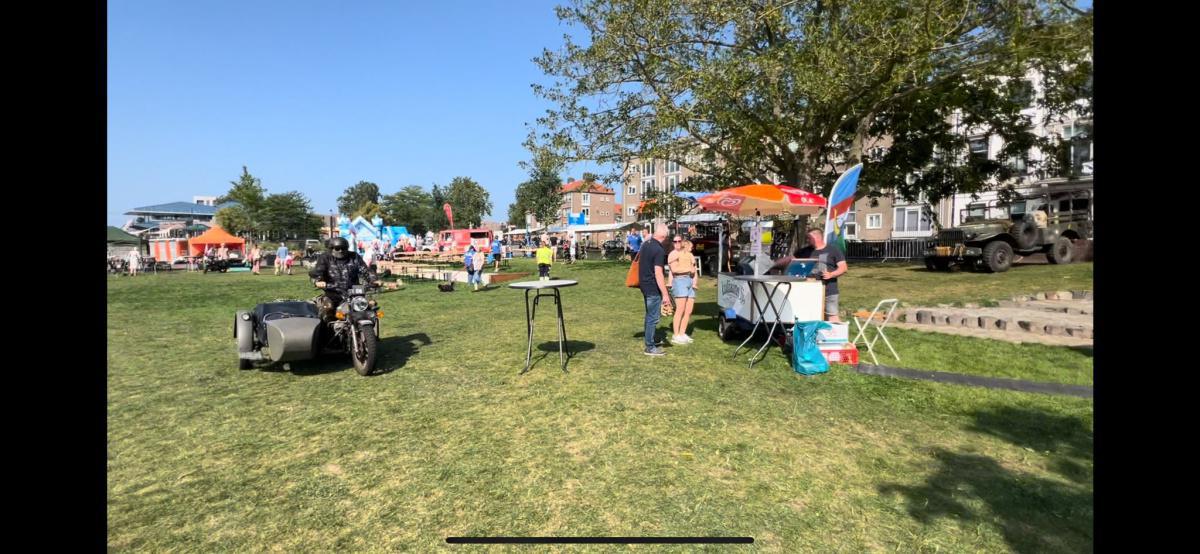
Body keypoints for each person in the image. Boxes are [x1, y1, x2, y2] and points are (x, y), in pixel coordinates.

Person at [771, 230, 848, 322]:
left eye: (809, 238)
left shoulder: (833, 250)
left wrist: (831, 274)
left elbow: (843, 268)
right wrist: (772, 265)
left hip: (829, 290)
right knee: (809, 315)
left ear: (817, 237)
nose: (807, 240)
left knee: (831, 316)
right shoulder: (804, 251)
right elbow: (791, 260)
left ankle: (836, 335)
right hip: (808, 291)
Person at [308, 237, 378, 321]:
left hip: (354, 292)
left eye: (343, 248)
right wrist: (317, 281)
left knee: (371, 305)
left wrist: (373, 279)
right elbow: (317, 272)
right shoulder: (325, 257)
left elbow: (365, 270)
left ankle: (369, 329)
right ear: (331, 248)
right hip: (333, 293)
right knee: (327, 309)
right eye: (337, 248)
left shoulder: (354, 256)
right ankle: (323, 331)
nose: (340, 250)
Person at [637, 226, 672, 356]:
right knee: (653, 317)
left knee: (649, 314)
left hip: (644, 285)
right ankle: (650, 346)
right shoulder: (658, 250)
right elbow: (658, 273)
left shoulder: (646, 244)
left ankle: (650, 339)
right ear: (663, 237)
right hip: (652, 287)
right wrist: (665, 294)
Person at [666, 236, 698, 344]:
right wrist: (689, 269)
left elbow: (694, 269)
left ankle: (682, 333)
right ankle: (676, 335)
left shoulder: (690, 256)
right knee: (680, 309)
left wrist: (694, 282)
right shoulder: (674, 254)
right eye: (676, 241)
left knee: (688, 310)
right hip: (680, 281)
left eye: (679, 241)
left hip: (690, 282)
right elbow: (674, 270)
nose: (678, 243)